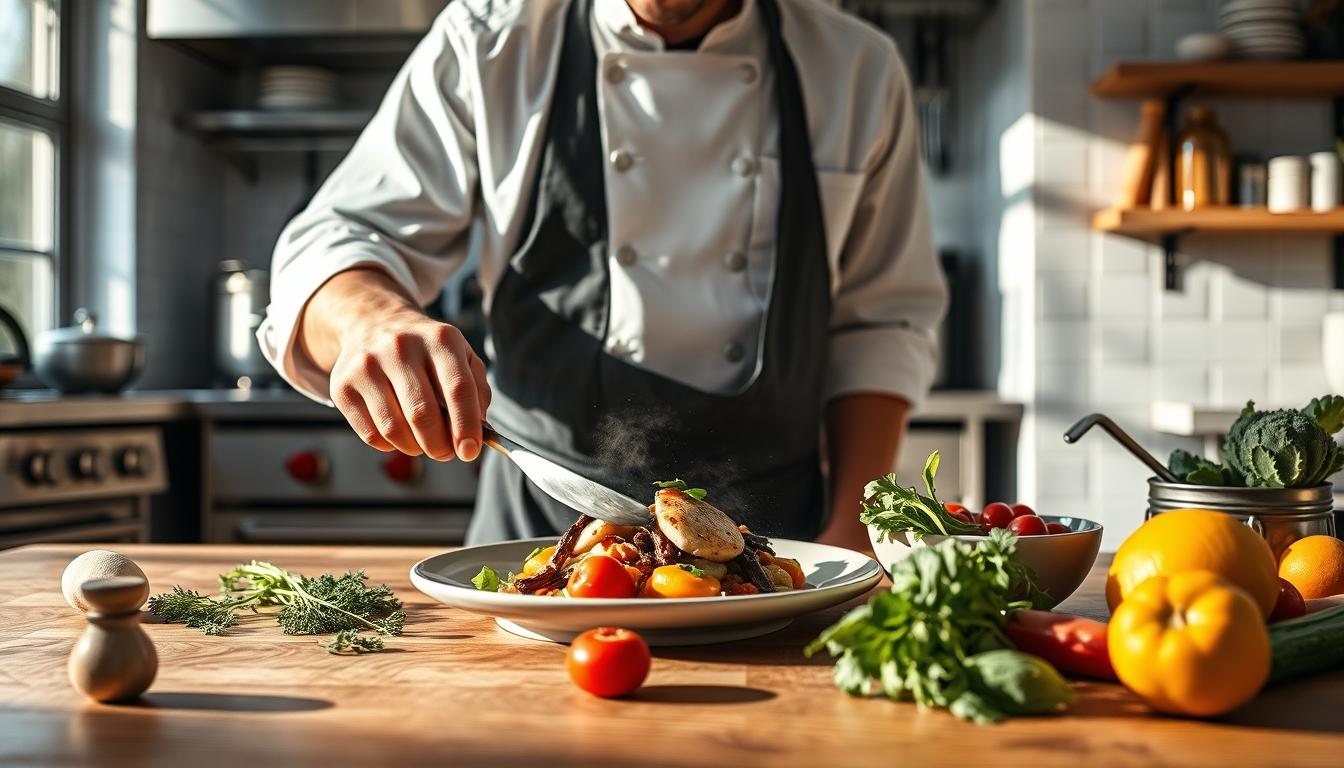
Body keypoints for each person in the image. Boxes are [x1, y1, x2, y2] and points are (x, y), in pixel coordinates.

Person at [259, 0, 946, 552]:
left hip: (786, 546)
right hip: (538, 534)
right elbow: (339, 238)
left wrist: (852, 542)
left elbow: (883, 321)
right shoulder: (489, 41)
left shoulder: (857, 69)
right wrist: (372, 320)